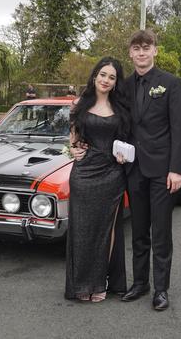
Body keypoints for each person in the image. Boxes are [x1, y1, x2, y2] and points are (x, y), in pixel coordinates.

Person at [121, 29, 181, 311]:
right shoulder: (123, 86)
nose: (142, 52)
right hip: (133, 170)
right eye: (137, 48)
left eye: (146, 47)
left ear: (155, 51)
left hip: (162, 171)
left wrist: (176, 170)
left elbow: (178, 129)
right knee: (137, 231)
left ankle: (161, 289)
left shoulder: (170, 83)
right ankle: (140, 283)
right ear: (131, 53)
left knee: (161, 232)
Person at [65, 57, 130, 302]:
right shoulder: (79, 104)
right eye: (103, 75)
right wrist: (72, 150)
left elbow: (126, 139)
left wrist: (124, 155)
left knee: (106, 229)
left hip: (112, 174)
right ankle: (82, 283)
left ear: (115, 82)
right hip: (83, 173)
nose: (106, 80)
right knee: (82, 229)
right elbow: (72, 140)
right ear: (95, 76)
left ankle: (100, 281)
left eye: (111, 77)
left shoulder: (121, 107)